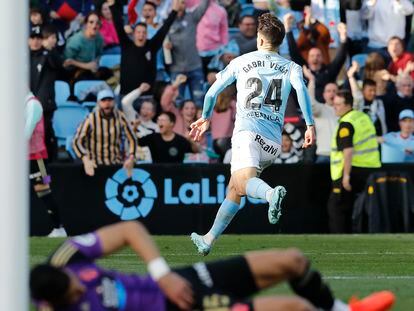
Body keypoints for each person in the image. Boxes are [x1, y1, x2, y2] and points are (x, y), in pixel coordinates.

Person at [30, 221, 395, 311]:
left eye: (76, 282)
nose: (82, 287)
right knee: (295, 307)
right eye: (76, 295)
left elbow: (129, 230)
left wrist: (163, 274)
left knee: (292, 259)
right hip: (186, 307)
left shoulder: (66, 258)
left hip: (178, 281)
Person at [189, 13, 316, 255]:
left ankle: (270, 194)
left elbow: (211, 94)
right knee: (235, 188)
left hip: (247, 133)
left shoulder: (240, 62)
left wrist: (206, 117)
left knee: (243, 182)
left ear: (259, 39)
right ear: (279, 42)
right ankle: (208, 239)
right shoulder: (292, 67)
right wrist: (309, 125)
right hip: (273, 143)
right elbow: (301, 92)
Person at [328, 90, 381, 233]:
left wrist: (346, 176)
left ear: (348, 105)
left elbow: (348, 150)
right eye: (334, 104)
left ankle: (339, 241)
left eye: (338, 104)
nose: (335, 107)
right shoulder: (363, 116)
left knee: (336, 207)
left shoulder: (346, 123)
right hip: (371, 168)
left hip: (351, 170)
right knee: (358, 206)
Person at [108, 0, 179, 96]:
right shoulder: (126, 45)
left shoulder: (152, 46)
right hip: (126, 94)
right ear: (133, 34)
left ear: (147, 34)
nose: (141, 35)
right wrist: (112, 5)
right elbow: (118, 25)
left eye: (144, 32)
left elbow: (164, 29)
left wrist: (174, 11)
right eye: (138, 32)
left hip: (146, 96)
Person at [26, 93, 67, 238]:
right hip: (22, 157)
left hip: (38, 158)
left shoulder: (33, 105)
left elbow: (26, 132)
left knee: (44, 190)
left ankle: (59, 228)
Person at [72, 89, 138, 177]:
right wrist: (85, 159)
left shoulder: (120, 116)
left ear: (114, 102)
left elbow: (132, 138)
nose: (107, 103)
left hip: (115, 164)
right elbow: (76, 141)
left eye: (109, 100)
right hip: (95, 165)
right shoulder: (91, 119)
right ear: (98, 103)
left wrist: (131, 157)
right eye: (103, 100)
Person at [167, 0, 210, 107]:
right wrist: (167, 47)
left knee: (199, 102)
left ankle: (200, 124)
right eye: (176, 2)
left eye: (182, 2)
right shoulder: (167, 21)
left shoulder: (192, 17)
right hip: (176, 68)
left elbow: (204, 5)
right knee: (177, 104)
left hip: (194, 66)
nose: (179, 4)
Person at [29, 26, 63, 161]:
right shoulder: (21, 57)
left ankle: (48, 176)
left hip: (44, 106)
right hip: (26, 107)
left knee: (45, 139)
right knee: (30, 140)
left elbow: (59, 66)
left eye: (39, 38)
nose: (36, 41)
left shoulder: (48, 55)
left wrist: (50, 49)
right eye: (33, 38)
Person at [303, 66, 338, 163]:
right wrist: (312, 80)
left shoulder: (343, 111)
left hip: (340, 156)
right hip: (323, 155)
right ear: (324, 95)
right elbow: (310, 103)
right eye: (329, 91)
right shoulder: (320, 109)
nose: (332, 94)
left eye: (335, 91)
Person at [63, 11, 104, 82]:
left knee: (108, 73)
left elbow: (99, 54)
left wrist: (94, 63)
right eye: (91, 22)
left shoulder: (99, 38)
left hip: (91, 69)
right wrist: (87, 66)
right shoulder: (76, 40)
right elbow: (66, 63)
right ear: (85, 24)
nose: (94, 26)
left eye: (97, 23)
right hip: (75, 71)